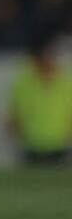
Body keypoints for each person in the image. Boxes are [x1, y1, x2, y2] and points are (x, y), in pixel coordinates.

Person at [6, 32, 72, 165]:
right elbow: (13, 115)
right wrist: (16, 138)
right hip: (30, 147)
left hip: (60, 147)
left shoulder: (66, 83)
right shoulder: (22, 83)